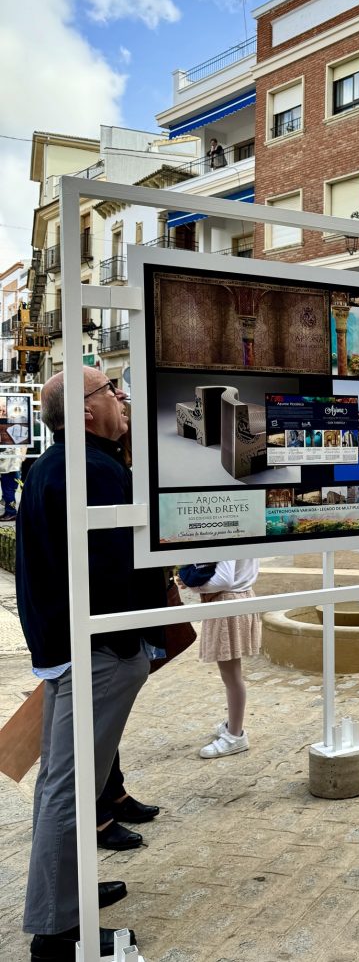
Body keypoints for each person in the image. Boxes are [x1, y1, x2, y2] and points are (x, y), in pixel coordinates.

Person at [16, 367, 167, 961]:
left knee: (67, 782)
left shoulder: (57, 467)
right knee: (71, 788)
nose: (122, 397)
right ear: (83, 411)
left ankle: (68, 890)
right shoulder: (92, 472)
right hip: (98, 653)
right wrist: (134, 645)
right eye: (111, 390)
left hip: (74, 653)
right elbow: (119, 568)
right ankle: (56, 933)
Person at [181, 559, 261, 758]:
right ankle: (233, 726)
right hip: (236, 598)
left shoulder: (230, 531)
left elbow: (224, 580)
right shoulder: (246, 530)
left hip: (227, 601)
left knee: (231, 676)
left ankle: (235, 735)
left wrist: (191, 583)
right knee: (231, 675)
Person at [0, 446, 24, 520]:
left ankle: (11, 512)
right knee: (8, 491)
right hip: (10, 466)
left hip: (10, 467)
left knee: (8, 491)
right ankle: (9, 511)